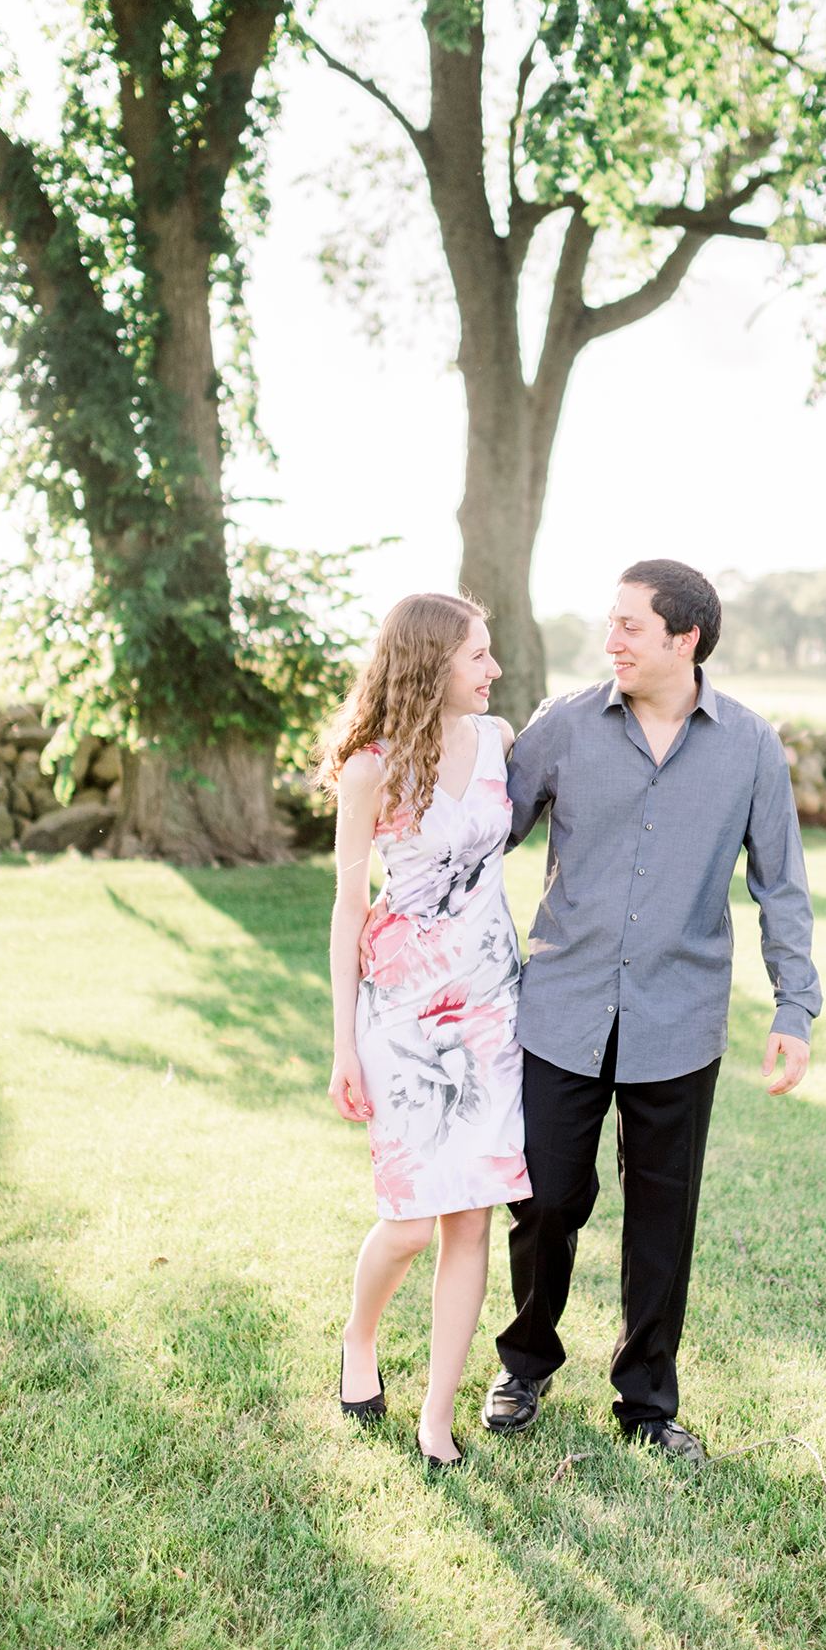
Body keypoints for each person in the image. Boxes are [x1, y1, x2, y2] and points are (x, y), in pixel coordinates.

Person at [482, 559, 820, 1462]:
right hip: (561, 1007)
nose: (612, 641)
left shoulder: (749, 745)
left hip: (680, 1019)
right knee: (547, 1199)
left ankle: (645, 1402)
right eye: (611, 624)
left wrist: (795, 1008)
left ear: (686, 639)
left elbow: (781, 885)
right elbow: (484, 833)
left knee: (663, 1220)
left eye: (631, 626)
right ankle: (525, 1359)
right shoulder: (564, 725)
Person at [323, 592, 531, 1473]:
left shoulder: (499, 741)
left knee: (471, 1223)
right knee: (409, 1224)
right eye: (477, 655)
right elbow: (346, 908)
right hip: (402, 1011)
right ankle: (358, 1338)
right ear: (430, 662)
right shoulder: (371, 770)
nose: (492, 670)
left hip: (490, 1002)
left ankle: (435, 1418)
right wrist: (341, 1042)